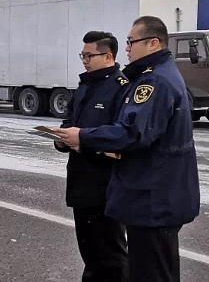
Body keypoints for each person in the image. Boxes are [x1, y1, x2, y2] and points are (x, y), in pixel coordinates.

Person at [53, 16, 201, 282]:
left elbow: (133, 132)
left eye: (132, 42)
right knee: (145, 269)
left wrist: (83, 137)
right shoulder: (154, 76)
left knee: (146, 270)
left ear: (153, 43)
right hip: (150, 194)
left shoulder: (154, 81)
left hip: (152, 196)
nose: (128, 48)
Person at [54, 31, 129, 282]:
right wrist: (61, 139)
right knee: (90, 251)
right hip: (80, 179)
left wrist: (84, 140)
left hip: (106, 182)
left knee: (110, 253)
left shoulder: (121, 87)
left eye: (89, 56)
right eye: (82, 56)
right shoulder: (86, 85)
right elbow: (70, 121)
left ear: (108, 56)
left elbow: (121, 134)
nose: (84, 61)